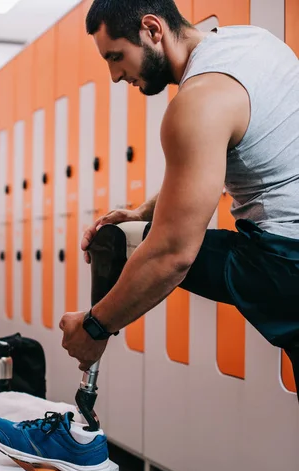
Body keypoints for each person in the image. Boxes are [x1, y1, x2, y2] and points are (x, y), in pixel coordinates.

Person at [59, 0, 299, 398]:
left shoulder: (196, 102)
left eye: (116, 56)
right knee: (136, 233)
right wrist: (139, 212)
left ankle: (84, 399)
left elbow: (174, 255)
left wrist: (95, 326)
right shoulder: (255, 44)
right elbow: (217, 166)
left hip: (283, 262)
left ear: (152, 29)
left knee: (141, 244)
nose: (115, 76)